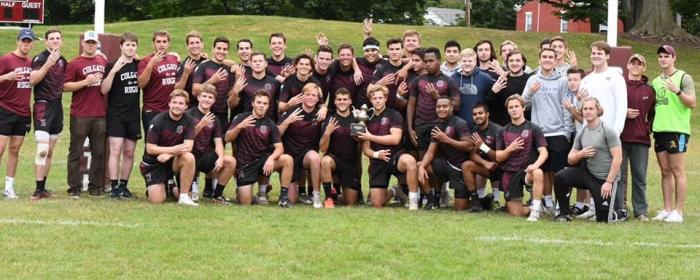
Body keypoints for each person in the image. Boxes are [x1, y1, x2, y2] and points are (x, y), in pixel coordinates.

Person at [553, 97, 623, 223]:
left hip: (605, 179)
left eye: (591, 108)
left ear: (598, 111)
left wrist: (608, 182)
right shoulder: (582, 131)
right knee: (560, 177)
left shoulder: (607, 130)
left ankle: (619, 214)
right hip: (589, 174)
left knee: (603, 219)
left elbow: (618, 158)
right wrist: (580, 154)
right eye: (585, 109)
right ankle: (564, 214)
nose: (587, 111)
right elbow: (570, 159)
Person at [523, 47, 573, 214]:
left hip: (558, 132)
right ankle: (548, 203)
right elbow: (523, 104)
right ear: (539, 60)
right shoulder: (532, 80)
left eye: (550, 57)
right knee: (542, 171)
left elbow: (566, 106)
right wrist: (530, 93)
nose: (547, 59)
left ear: (555, 60)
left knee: (559, 173)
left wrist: (567, 131)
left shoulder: (562, 80)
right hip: (539, 132)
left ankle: (561, 206)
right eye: (544, 57)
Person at [225, 90, 294, 207]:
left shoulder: (270, 124)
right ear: (253, 103)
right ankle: (245, 191)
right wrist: (240, 127)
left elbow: (279, 148)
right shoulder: (241, 118)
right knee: (245, 202)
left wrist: (271, 158)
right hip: (245, 165)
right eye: (259, 102)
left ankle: (283, 199)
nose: (261, 106)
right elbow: (227, 138)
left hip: (263, 162)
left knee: (287, 159)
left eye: (265, 103)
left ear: (268, 106)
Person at [651, 45, 696, 223]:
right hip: (660, 130)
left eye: (666, 56)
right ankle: (667, 209)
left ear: (673, 58)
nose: (663, 59)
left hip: (677, 130)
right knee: (665, 171)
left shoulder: (683, 77)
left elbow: (692, 103)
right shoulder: (655, 81)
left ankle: (678, 211)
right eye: (660, 56)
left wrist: (677, 91)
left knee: (678, 170)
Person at [484, 95, 547, 221]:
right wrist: (510, 148)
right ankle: (536, 207)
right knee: (516, 213)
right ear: (507, 110)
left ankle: (535, 211)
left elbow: (544, 152)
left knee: (538, 172)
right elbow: (499, 157)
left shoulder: (533, 128)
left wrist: (535, 165)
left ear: (523, 108)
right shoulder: (503, 131)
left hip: (527, 171)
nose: (514, 109)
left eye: (517, 106)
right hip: (510, 173)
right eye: (511, 107)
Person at [359, 85, 420, 209]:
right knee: (377, 204)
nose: (377, 100)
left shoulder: (394, 114)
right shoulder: (365, 118)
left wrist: (370, 136)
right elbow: (366, 149)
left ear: (386, 98)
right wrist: (377, 154)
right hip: (377, 161)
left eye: (380, 97)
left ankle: (413, 200)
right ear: (370, 100)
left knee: (410, 161)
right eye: (374, 98)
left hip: (395, 156)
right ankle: (395, 191)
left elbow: (395, 139)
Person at [64, 30, 107, 198]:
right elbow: (65, 86)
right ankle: (74, 187)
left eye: (93, 42)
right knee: (76, 151)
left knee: (99, 152)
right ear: (82, 43)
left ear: (97, 44)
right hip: (80, 113)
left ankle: (95, 186)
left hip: (100, 113)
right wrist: (85, 82)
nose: (90, 45)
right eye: (88, 42)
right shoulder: (75, 63)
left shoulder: (103, 61)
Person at [139, 90, 198, 206]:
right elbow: (150, 148)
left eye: (181, 103)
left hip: (172, 160)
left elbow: (188, 146)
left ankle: (183, 197)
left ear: (186, 106)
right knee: (158, 200)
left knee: (189, 157)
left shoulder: (189, 121)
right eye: (174, 102)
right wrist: (173, 150)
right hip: (154, 163)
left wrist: (170, 154)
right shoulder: (158, 120)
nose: (177, 106)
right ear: (169, 104)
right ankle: (167, 185)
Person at [101, 32, 141, 199]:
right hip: (116, 113)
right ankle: (114, 186)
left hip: (133, 114)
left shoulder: (139, 65)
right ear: (121, 46)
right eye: (127, 45)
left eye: (133, 45)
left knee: (130, 151)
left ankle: (124, 185)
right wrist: (114, 71)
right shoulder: (112, 65)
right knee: (115, 150)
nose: (130, 48)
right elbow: (103, 89)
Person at [617, 54, 655, 221]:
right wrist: (623, 113)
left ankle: (640, 211)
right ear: (628, 65)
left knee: (639, 177)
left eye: (639, 64)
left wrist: (648, 128)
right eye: (633, 63)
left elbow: (654, 113)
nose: (636, 66)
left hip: (640, 140)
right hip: (620, 138)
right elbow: (610, 106)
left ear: (643, 67)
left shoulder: (649, 89)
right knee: (620, 176)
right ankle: (620, 208)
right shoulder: (619, 85)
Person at [29, 28, 66, 200]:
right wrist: (48, 64)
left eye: (58, 38)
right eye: (51, 38)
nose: (55, 41)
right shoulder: (40, 58)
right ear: (46, 42)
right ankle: (37, 189)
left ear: (62, 41)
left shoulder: (63, 60)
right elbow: (33, 80)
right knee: (42, 149)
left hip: (57, 107)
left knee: (50, 150)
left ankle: (43, 187)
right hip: (43, 106)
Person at [418, 97, 472, 210]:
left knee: (460, 208)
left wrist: (447, 139)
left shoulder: (460, 123)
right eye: (438, 107)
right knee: (418, 165)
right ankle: (432, 200)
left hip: (459, 168)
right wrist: (422, 166)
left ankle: (483, 201)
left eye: (444, 106)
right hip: (445, 164)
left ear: (451, 108)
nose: (441, 109)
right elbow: (430, 152)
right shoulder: (437, 127)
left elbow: (468, 146)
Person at [186, 84, 236, 203]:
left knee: (230, 161)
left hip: (205, 156)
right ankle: (189, 188)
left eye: (210, 97)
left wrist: (220, 157)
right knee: (184, 196)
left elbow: (218, 142)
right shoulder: (188, 115)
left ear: (213, 101)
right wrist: (201, 125)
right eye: (204, 96)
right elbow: (185, 138)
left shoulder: (215, 119)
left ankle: (217, 195)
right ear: (198, 97)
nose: (206, 99)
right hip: (187, 156)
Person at [407, 47, 460, 158]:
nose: (427, 64)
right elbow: (411, 104)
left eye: (431, 61)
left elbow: (456, 106)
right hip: (420, 126)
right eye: (425, 61)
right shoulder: (418, 80)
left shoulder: (449, 81)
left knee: (437, 162)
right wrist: (410, 127)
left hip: (439, 125)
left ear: (439, 61)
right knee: (422, 161)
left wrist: (437, 97)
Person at [0, 28, 34, 199]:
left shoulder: (31, 62)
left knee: (15, 149)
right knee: (0, 149)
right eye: (23, 41)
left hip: (23, 112)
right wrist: (6, 77)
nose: (26, 44)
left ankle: (9, 187)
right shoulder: (6, 59)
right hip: (5, 109)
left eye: (29, 42)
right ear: (17, 41)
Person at [278, 83, 324, 208]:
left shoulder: (320, 115)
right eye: (307, 94)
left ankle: (316, 195)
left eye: (313, 95)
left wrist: (324, 109)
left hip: (306, 155)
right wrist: (288, 121)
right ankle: (288, 193)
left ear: (318, 98)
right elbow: (277, 134)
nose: (310, 97)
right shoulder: (292, 111)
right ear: (302, 96)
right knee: (292, 199)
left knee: (315, 157)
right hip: (290, 156)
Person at [320, 89, 361, 207]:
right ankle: (328, 198)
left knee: (350, 202)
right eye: (339, 99)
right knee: (325, 161)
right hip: (334, 160)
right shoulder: (330, 120)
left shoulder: (357, 119)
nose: (342, 102)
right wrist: (327, 133)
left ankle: (335, 195)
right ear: (335, 102)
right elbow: (322, 149)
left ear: (350, 102)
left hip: (350, 163)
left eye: (345, 99)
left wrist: (358, 137)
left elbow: (363, 142)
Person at [579, 41, 627, 135]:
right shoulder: (585, 80)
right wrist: (580, 101)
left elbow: (621, 107)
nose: (596, 56)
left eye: (599, 53)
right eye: (593, 53)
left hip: (608, 132)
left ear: (607, 56)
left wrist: (617, 131)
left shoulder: (616, 78)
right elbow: (582, 109)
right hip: (588, 133)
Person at [463, 103, 504, 212]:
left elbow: (500, 157)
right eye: (474, 114)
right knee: (466, 165)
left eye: (480, 113)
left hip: (503, 168)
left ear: (487, 114)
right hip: (487, 167)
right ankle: (477, 201)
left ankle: (496, 199)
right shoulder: (474, 131)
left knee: (495, 164)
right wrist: (484, 163)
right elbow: (472, 154)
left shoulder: (498, 130)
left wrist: (483, 146)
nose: (477, 116)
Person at [138, 30, 180, 134]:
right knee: (152, 145)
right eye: (158, 41)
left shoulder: (174, 59)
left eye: (164, 42)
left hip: (171, 109)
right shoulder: (145, 61)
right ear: (153, 43)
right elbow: (141, 84)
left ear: (168, 44)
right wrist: (150, 65)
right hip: (152, 110)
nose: (161, 44)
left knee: (169, 143)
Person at [191, 36, 233, 128]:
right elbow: (195, 91)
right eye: (218, 48)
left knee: (220, 142)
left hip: (222, 115)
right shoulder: (204, 66)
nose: (221, 51)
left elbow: (229, 94)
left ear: (228, 52)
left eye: (224, 49)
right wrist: (212, 81)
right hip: (203, 113)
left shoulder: (228, 69)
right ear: (213, 49)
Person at [228, 52, 281, 121]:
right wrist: (235, 92)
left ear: (265, 64)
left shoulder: (274, 83)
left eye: (260, 61)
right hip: (248, 124)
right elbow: (231, 106)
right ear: (250, 64)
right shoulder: (243, 82)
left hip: (268, 124)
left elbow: (279, 107)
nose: (257, 63)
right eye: (255, 61)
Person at [486, 50, 531, 126]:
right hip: (505, 127)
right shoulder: (502, 80)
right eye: (511, 61)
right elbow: (488, 105)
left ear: (523, 63)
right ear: (507, 63)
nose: (514, 63)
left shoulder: (530, 80)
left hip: (527, 127)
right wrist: (493, 91)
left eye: (518, 60)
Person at [451, 48, 494, 127]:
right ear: (460, 62)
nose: (467, 63)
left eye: (470, 61)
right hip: (458, 125)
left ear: (475, 61)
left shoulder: (485, 78)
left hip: (479, 125)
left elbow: (494, 97)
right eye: (464, 61)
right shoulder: (453, 78)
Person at [371, 38, 408, 111]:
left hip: (405, 111)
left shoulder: (408, 68)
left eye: (397, 49)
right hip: (385, 111)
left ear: (403, 51)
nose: (394, 52)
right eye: (391, 49)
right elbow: (369, 91)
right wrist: (380, 84)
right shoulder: (381, 68)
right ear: (388, 51)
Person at [174, 30, 208, 108]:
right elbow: (177, 90)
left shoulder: (205, 60)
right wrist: (186, 73)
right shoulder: (184, 64)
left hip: (206, 105)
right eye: (191, 43)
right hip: (190, 107)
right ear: (187, 46)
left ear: (202, 45)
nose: (195, 45)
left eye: (197, 42)